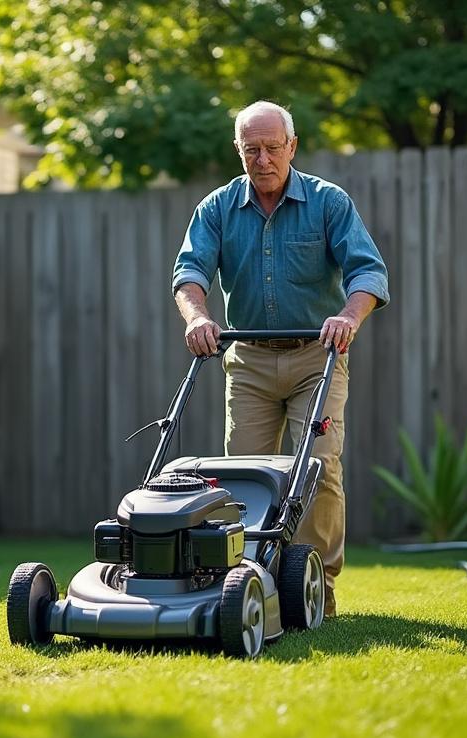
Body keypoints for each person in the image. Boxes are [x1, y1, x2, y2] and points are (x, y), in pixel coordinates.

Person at [171, 101, 390, 618]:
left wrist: (349, 318)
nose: (263, 158)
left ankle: (316, 588)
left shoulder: (327, 203)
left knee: (317, 466)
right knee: (242, 474)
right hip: (246, 360)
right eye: (252, 148)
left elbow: (368, 273)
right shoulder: (217, 208)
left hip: (318, 356)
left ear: (292, 146)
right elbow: (190, 274)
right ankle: (249, 582)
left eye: (273, 147)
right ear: (239, 150)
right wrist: (198, 318)